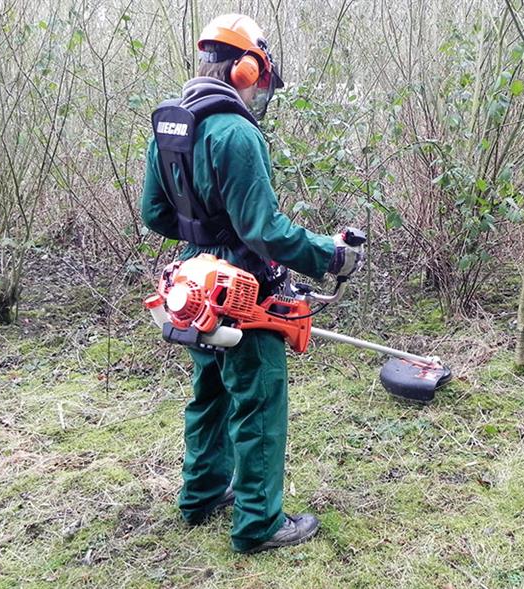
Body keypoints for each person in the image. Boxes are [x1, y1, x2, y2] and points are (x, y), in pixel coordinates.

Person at [140, 14, 363, 554]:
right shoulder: (236, 132)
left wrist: (206, 239)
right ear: (244, 67)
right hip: (241, 285)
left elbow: (155, 214)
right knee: (259, 401)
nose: (260, 89)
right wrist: (330, 256)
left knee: (210, 393)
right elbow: (266, 230)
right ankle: (259, 523)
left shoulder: (173, 125)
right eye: (260, 76)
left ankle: (200, 496)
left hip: (195, 279)